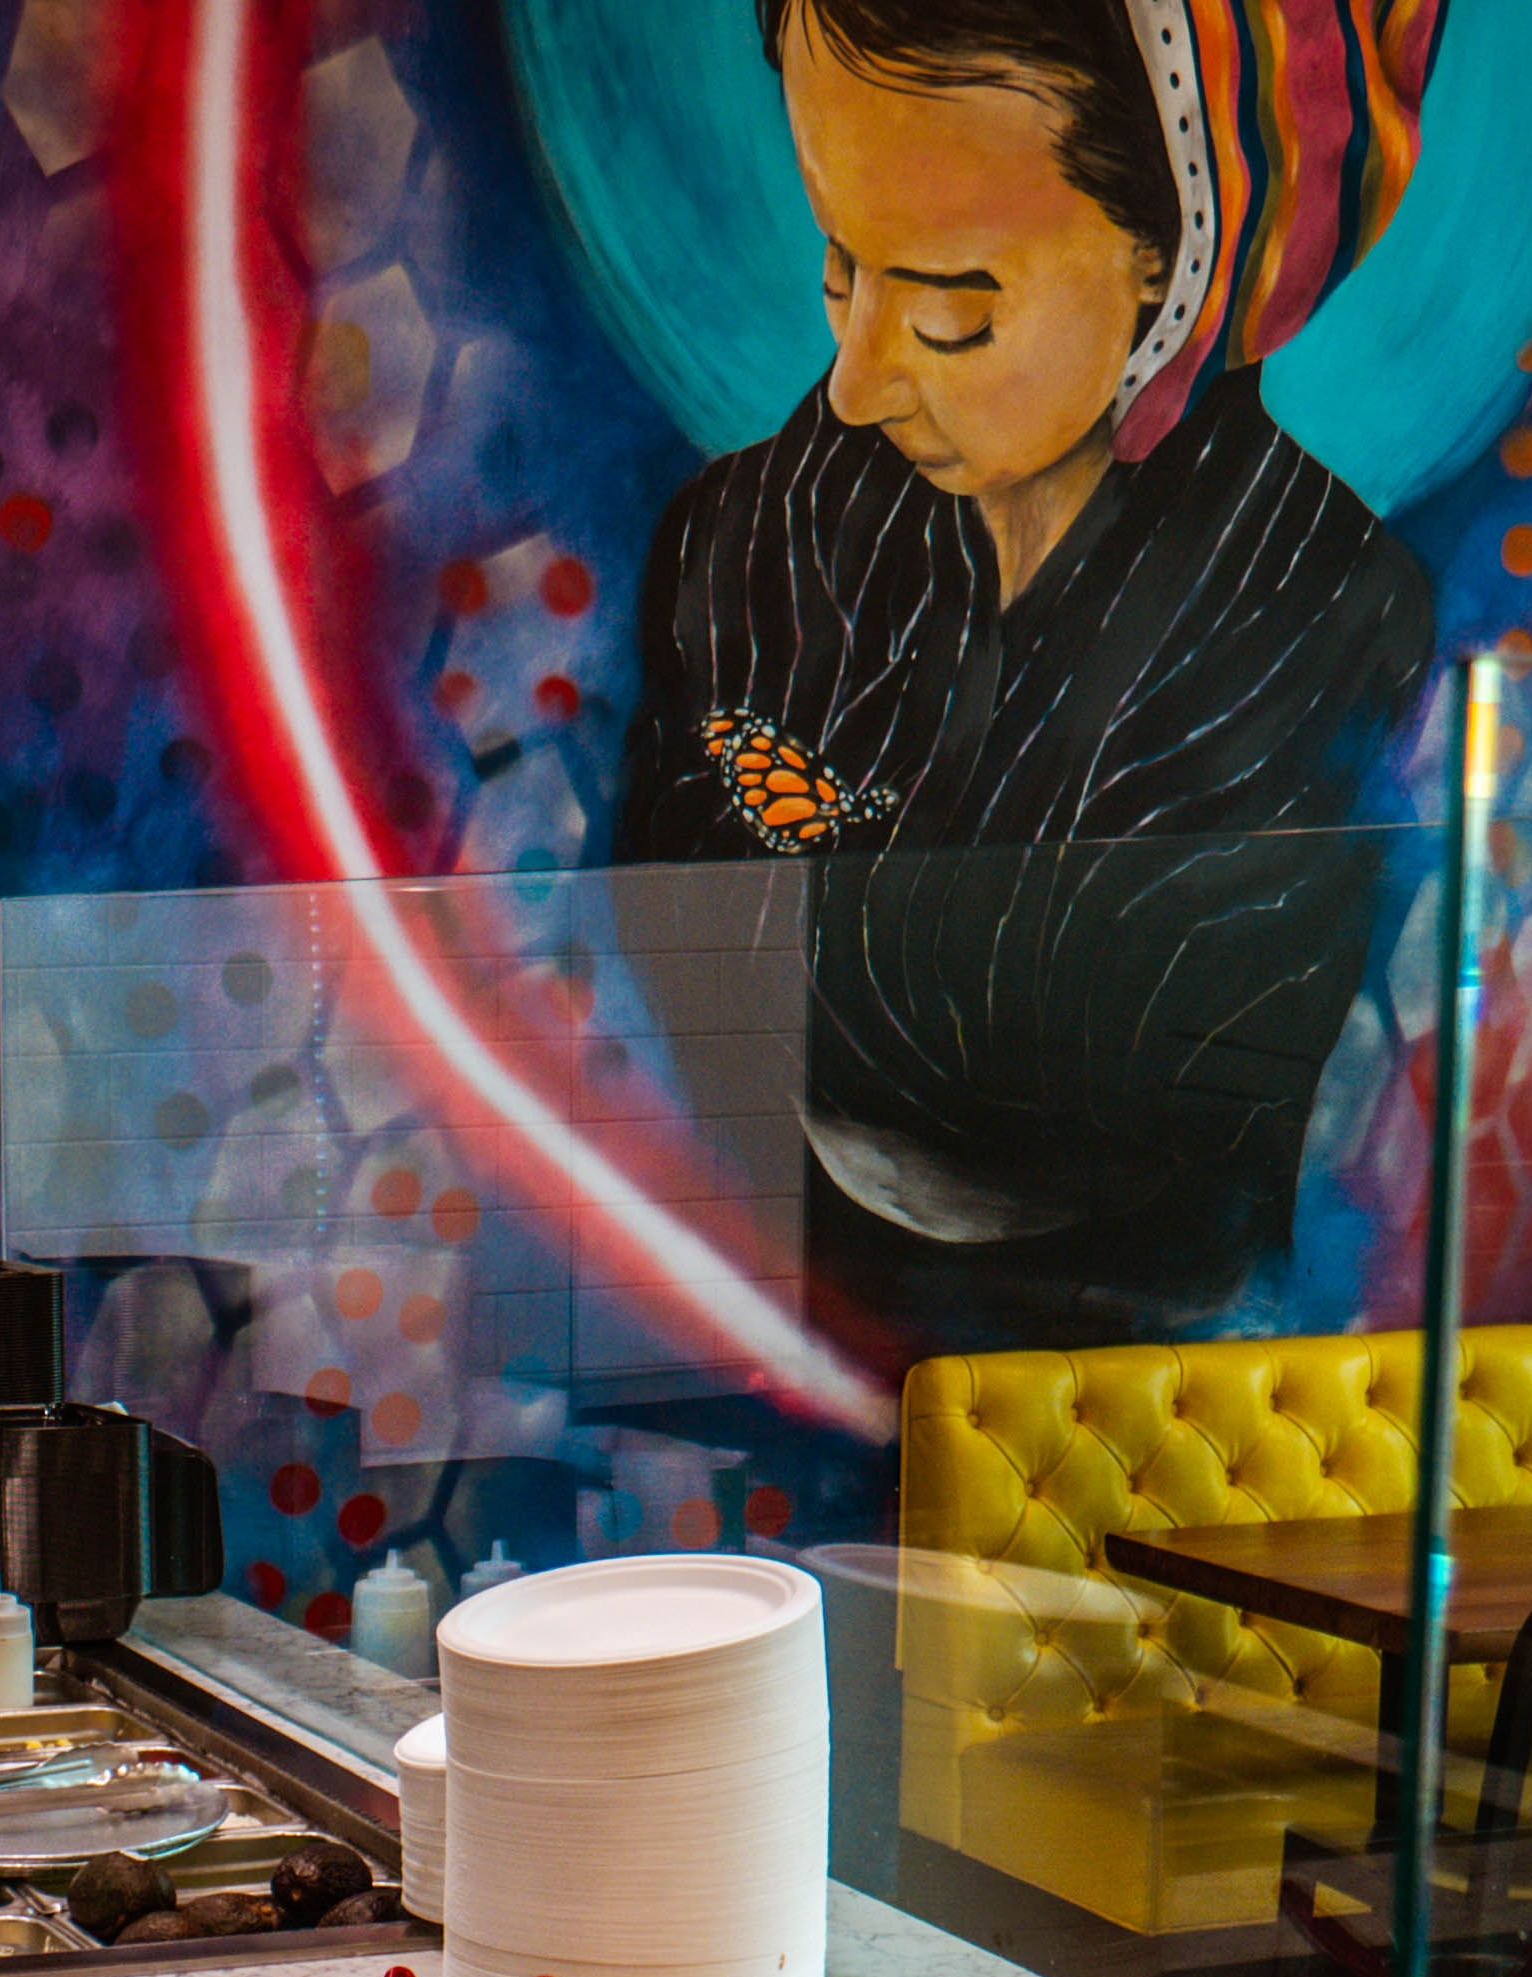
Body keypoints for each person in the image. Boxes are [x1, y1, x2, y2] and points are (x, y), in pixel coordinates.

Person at [616, 0, 1438, 1352]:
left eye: (950, 314)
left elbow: (1070, 1061)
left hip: (1153, 1379)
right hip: (772, 1333)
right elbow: (672, 936)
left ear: (1177, 267)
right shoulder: (745, 534)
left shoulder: (1323, 608)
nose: (855, 385)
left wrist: (804, 846)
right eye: (838, 275)